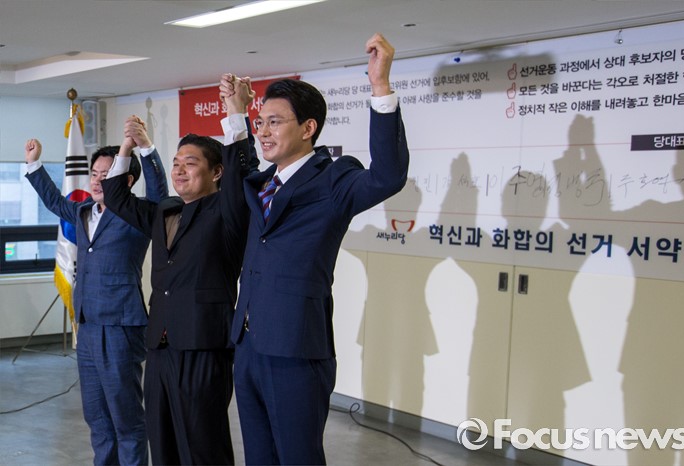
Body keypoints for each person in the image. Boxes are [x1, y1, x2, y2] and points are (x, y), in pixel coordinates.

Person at [227, 32, 409, 465]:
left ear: (308, 128)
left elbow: (387, 176)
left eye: (275, 122)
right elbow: (238, 176)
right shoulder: (261, 184)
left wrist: (380, 87)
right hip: (248, 345)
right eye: (260, 122)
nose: (263, 131)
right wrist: (236, 114)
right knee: (259, 458)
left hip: (295, 350)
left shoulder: (334, 179)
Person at [100, 77, 258, 465]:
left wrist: (236, 113)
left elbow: (242, 173)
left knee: (203, 446)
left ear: (216, 172)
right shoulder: (165, 210)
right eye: (176, 163)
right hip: (160, 346)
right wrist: (127, 147)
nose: (179, 170)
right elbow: (116, 196)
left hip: (203, 343)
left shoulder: (229, 210)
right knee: (163, 441)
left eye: (190, 163)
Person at [24, 118, 168, 466]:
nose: (98, 180)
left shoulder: (137, 215)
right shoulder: (83, 210)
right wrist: (34, 164)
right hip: (87, 327)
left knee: (126, 417)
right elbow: (54, 201)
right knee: (97, 417)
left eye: (106, 174)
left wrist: (145, 148)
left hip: (120, 326)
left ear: (126, 180)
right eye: (94, 174)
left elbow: (160, 196)